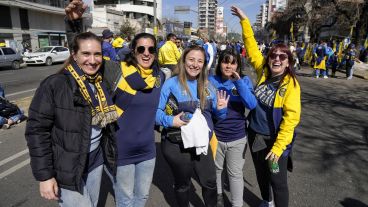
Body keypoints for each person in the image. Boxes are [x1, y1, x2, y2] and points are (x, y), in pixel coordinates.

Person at [25, 32, 118, 206]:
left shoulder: (100, 82)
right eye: (86, 53)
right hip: (67, 165)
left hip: (94, 160)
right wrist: (45, 176)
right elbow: (36, 131)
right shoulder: (55, 84)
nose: (92, 60)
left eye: (97, 54)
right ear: (74, 55)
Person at [232, 6, 301, 207]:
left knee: (277, 180)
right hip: (256, 135)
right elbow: (251, 47)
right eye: (273, 55)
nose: (276, 59)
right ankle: (266, 201)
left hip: (275, 142)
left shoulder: (291, 85)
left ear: (288, 62)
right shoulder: (263, 71)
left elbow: (291, 119)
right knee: (261, 173)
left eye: (282, 57)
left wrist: (279, 148)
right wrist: (245, 21)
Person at [155, 45, 229, 207]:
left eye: (200, 61)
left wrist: (222, 111)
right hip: (176, 144)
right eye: (191, 59)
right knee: (183, 185)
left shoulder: (209, 86)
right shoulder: (171, 84)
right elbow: (156, 114)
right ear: (183, 61)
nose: (195, 64)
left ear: (204, 64)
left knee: (210, 181)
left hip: (201, 144)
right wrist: (170, 121)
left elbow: (218, 117)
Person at [111, 32, 165, 207]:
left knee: (141, 198)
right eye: (141, 48)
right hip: (122, 151)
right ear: (133, 51)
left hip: (147, 152)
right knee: (125, 200)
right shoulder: (118, 72)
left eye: (151, 49)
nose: (146, 53)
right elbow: (83, 62)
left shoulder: (159, 78)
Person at [208, 49, 257, 207]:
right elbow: (205, 106)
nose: (228, 66)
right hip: (216, 136)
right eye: (225, 61)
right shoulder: (211, 80)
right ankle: (219, 196)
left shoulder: (244, 80)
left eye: (232, 62)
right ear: (219, 63)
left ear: (238, 64)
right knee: (216, 169)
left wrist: (238, 82)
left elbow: (251, 104)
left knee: (235, 174)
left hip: (237, 136)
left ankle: (237, 204)